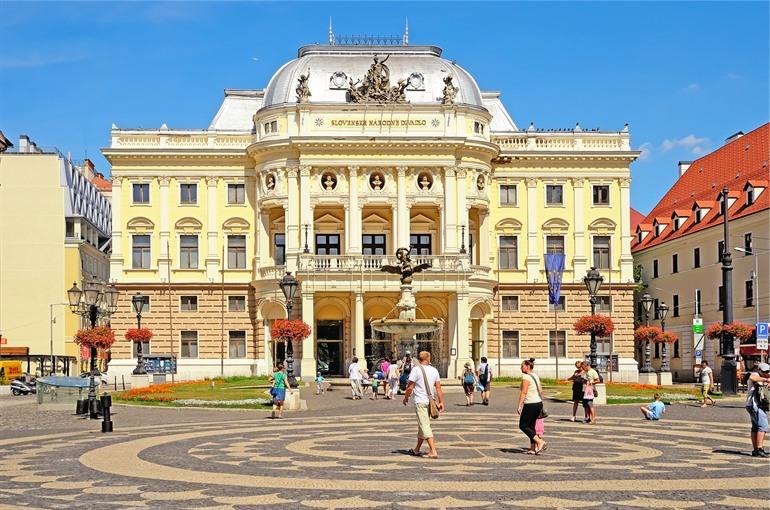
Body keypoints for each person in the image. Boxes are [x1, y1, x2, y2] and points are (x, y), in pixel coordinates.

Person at [402, 351, 444, 459]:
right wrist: (441, 401)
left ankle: (433, 451)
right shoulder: (434, 370)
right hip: (430, 401)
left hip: (420, 401)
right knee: (423, 424)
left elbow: (410, 387)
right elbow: (438, 387)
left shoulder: (416, 369)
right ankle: (416, 449)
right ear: (428, 358)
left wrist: (406, 397)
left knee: (424, 425)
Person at [517, 358, 546, 454]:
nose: (521, 367)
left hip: (530, 403)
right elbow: (541, 390)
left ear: (527, 366)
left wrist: (519, 405)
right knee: (531, 426)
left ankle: (540, 441)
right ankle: (532, 448)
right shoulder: (535, 375)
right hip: (538, 403)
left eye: (522, 366)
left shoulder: (526, 377)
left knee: (523, 425)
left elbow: (524, 392)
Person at [745, 362, 770, 457]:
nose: (767, 373)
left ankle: (756, 449)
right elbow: (752, 378)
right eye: (765, 371)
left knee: (755, 427)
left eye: (768, 371)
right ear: (759, 370)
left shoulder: (763, 376)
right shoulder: (755, 374)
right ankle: (760, 449)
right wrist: (766, 380)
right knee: (763, 426)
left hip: (753, 404)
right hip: (754, 404)